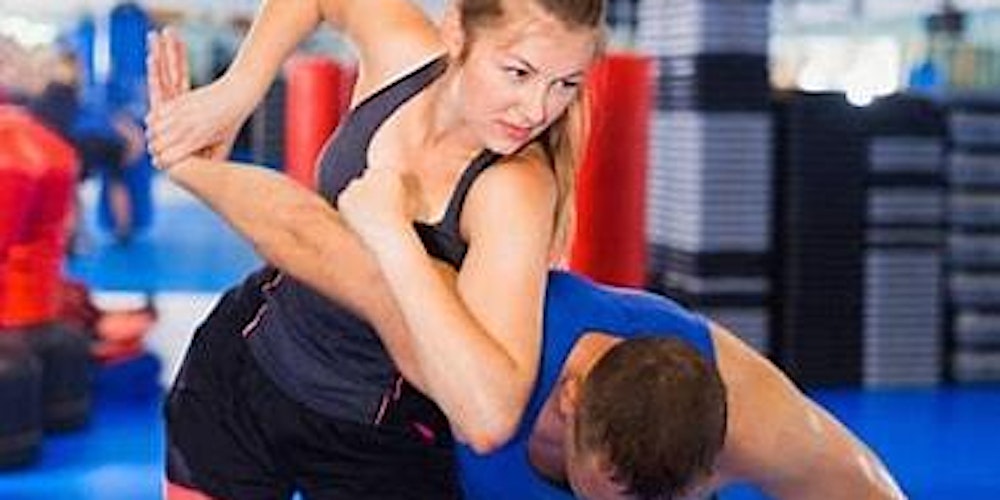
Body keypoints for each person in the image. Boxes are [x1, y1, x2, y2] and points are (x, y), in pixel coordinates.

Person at [145, 0, 606, 498]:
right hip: (249, 367)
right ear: (456, 32)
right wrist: (235, 94)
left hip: (377, 437)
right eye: (518, 72)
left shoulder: (511, 189)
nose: (537, 108)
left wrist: (393, 237)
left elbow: (488, 417)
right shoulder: (406, 58)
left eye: (566, 84)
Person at [458, 270, 906, 500]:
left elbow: (871, 492)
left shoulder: (753, 422)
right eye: (615, 488)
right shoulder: (483, 353)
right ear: (569, 399)